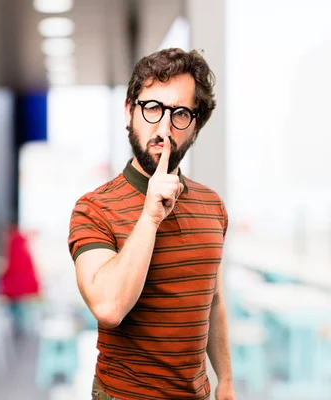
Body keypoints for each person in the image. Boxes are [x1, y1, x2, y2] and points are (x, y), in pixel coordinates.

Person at [68, 48, 234, 400]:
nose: (163, 127)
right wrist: (150, 216)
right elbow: (109, 308)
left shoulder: (212, 206)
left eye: (180, 114)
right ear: (130, 112)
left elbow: (214, 300)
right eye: (152, 108)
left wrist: (227, 380)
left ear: (196, 125)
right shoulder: (94, 208)